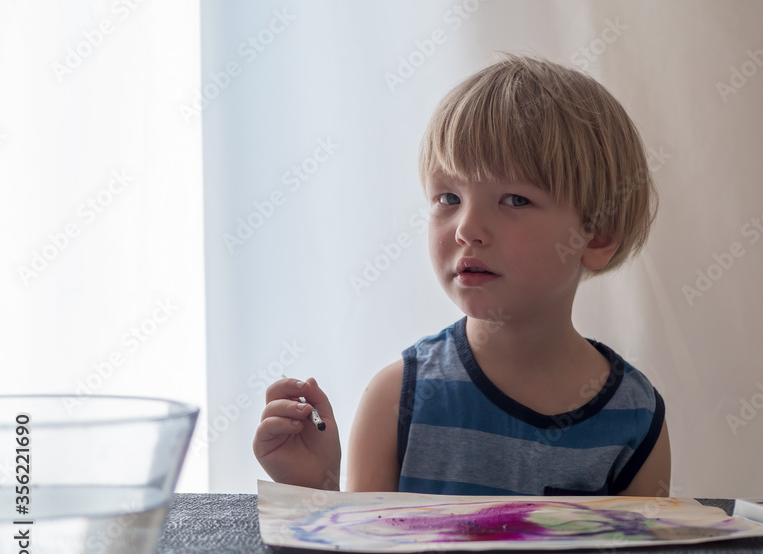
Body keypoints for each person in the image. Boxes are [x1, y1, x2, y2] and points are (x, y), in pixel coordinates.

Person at [252, 53, 671, 496]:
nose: (467, 229)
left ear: (598, 234)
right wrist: (316, 487)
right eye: (448, 198)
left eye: (514, 200)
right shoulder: (397, 399)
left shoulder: (636, 416)